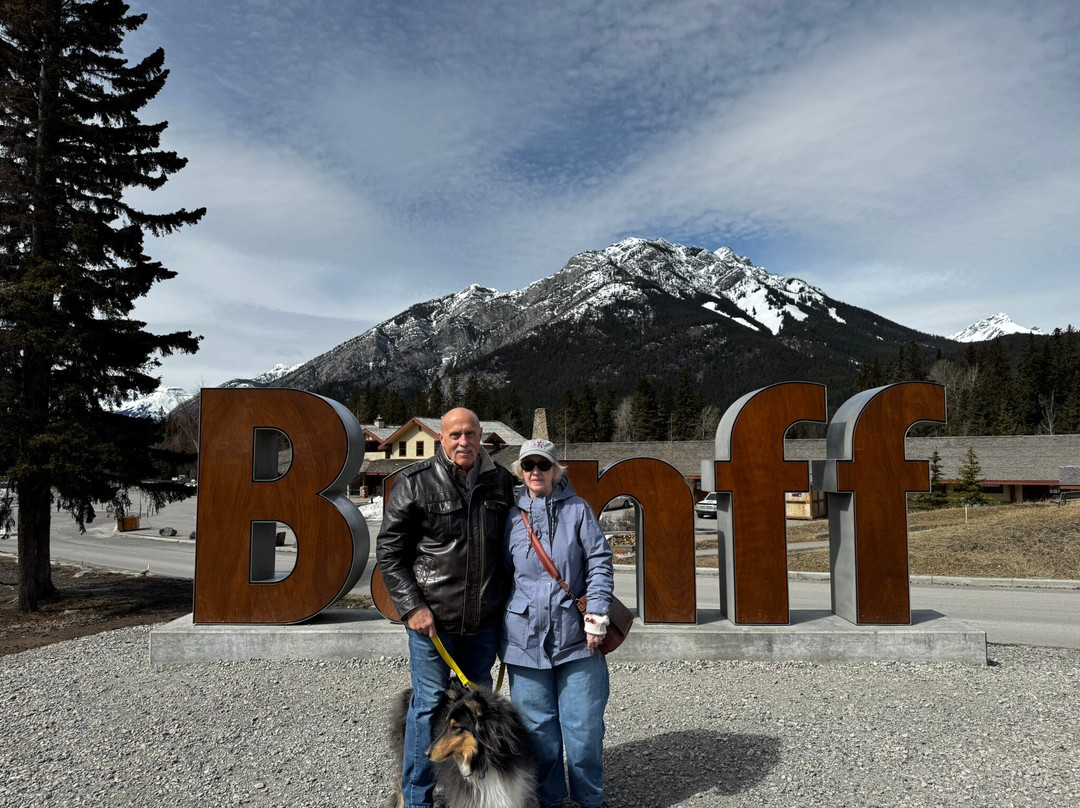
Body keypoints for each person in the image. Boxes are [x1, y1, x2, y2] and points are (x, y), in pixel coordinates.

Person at [376, 407, 515, 808]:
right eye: (455, 435)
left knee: (476, 712)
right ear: (442, 438)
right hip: (431, 623)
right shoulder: (415, 482)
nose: (463, 441)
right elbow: (390, 552)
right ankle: (416, 798)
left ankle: (470, 794)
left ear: (481, 435)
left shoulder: (501, 482)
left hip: (483, 623)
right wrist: (411, 607)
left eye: (470, 433)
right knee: (428, 705)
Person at [501, 438, 614, 808]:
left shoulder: (579, 510)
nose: (536, 471)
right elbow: (501, 575)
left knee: (584, 730)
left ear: (556, 470)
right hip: (524, 641)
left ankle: (590, 799)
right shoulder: (510, 517)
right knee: (538, 733)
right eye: (528, 465)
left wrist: (596, 616)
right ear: (520, 471)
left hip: (577, 639)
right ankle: (549, 800)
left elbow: (599, 562)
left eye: (543, 465)